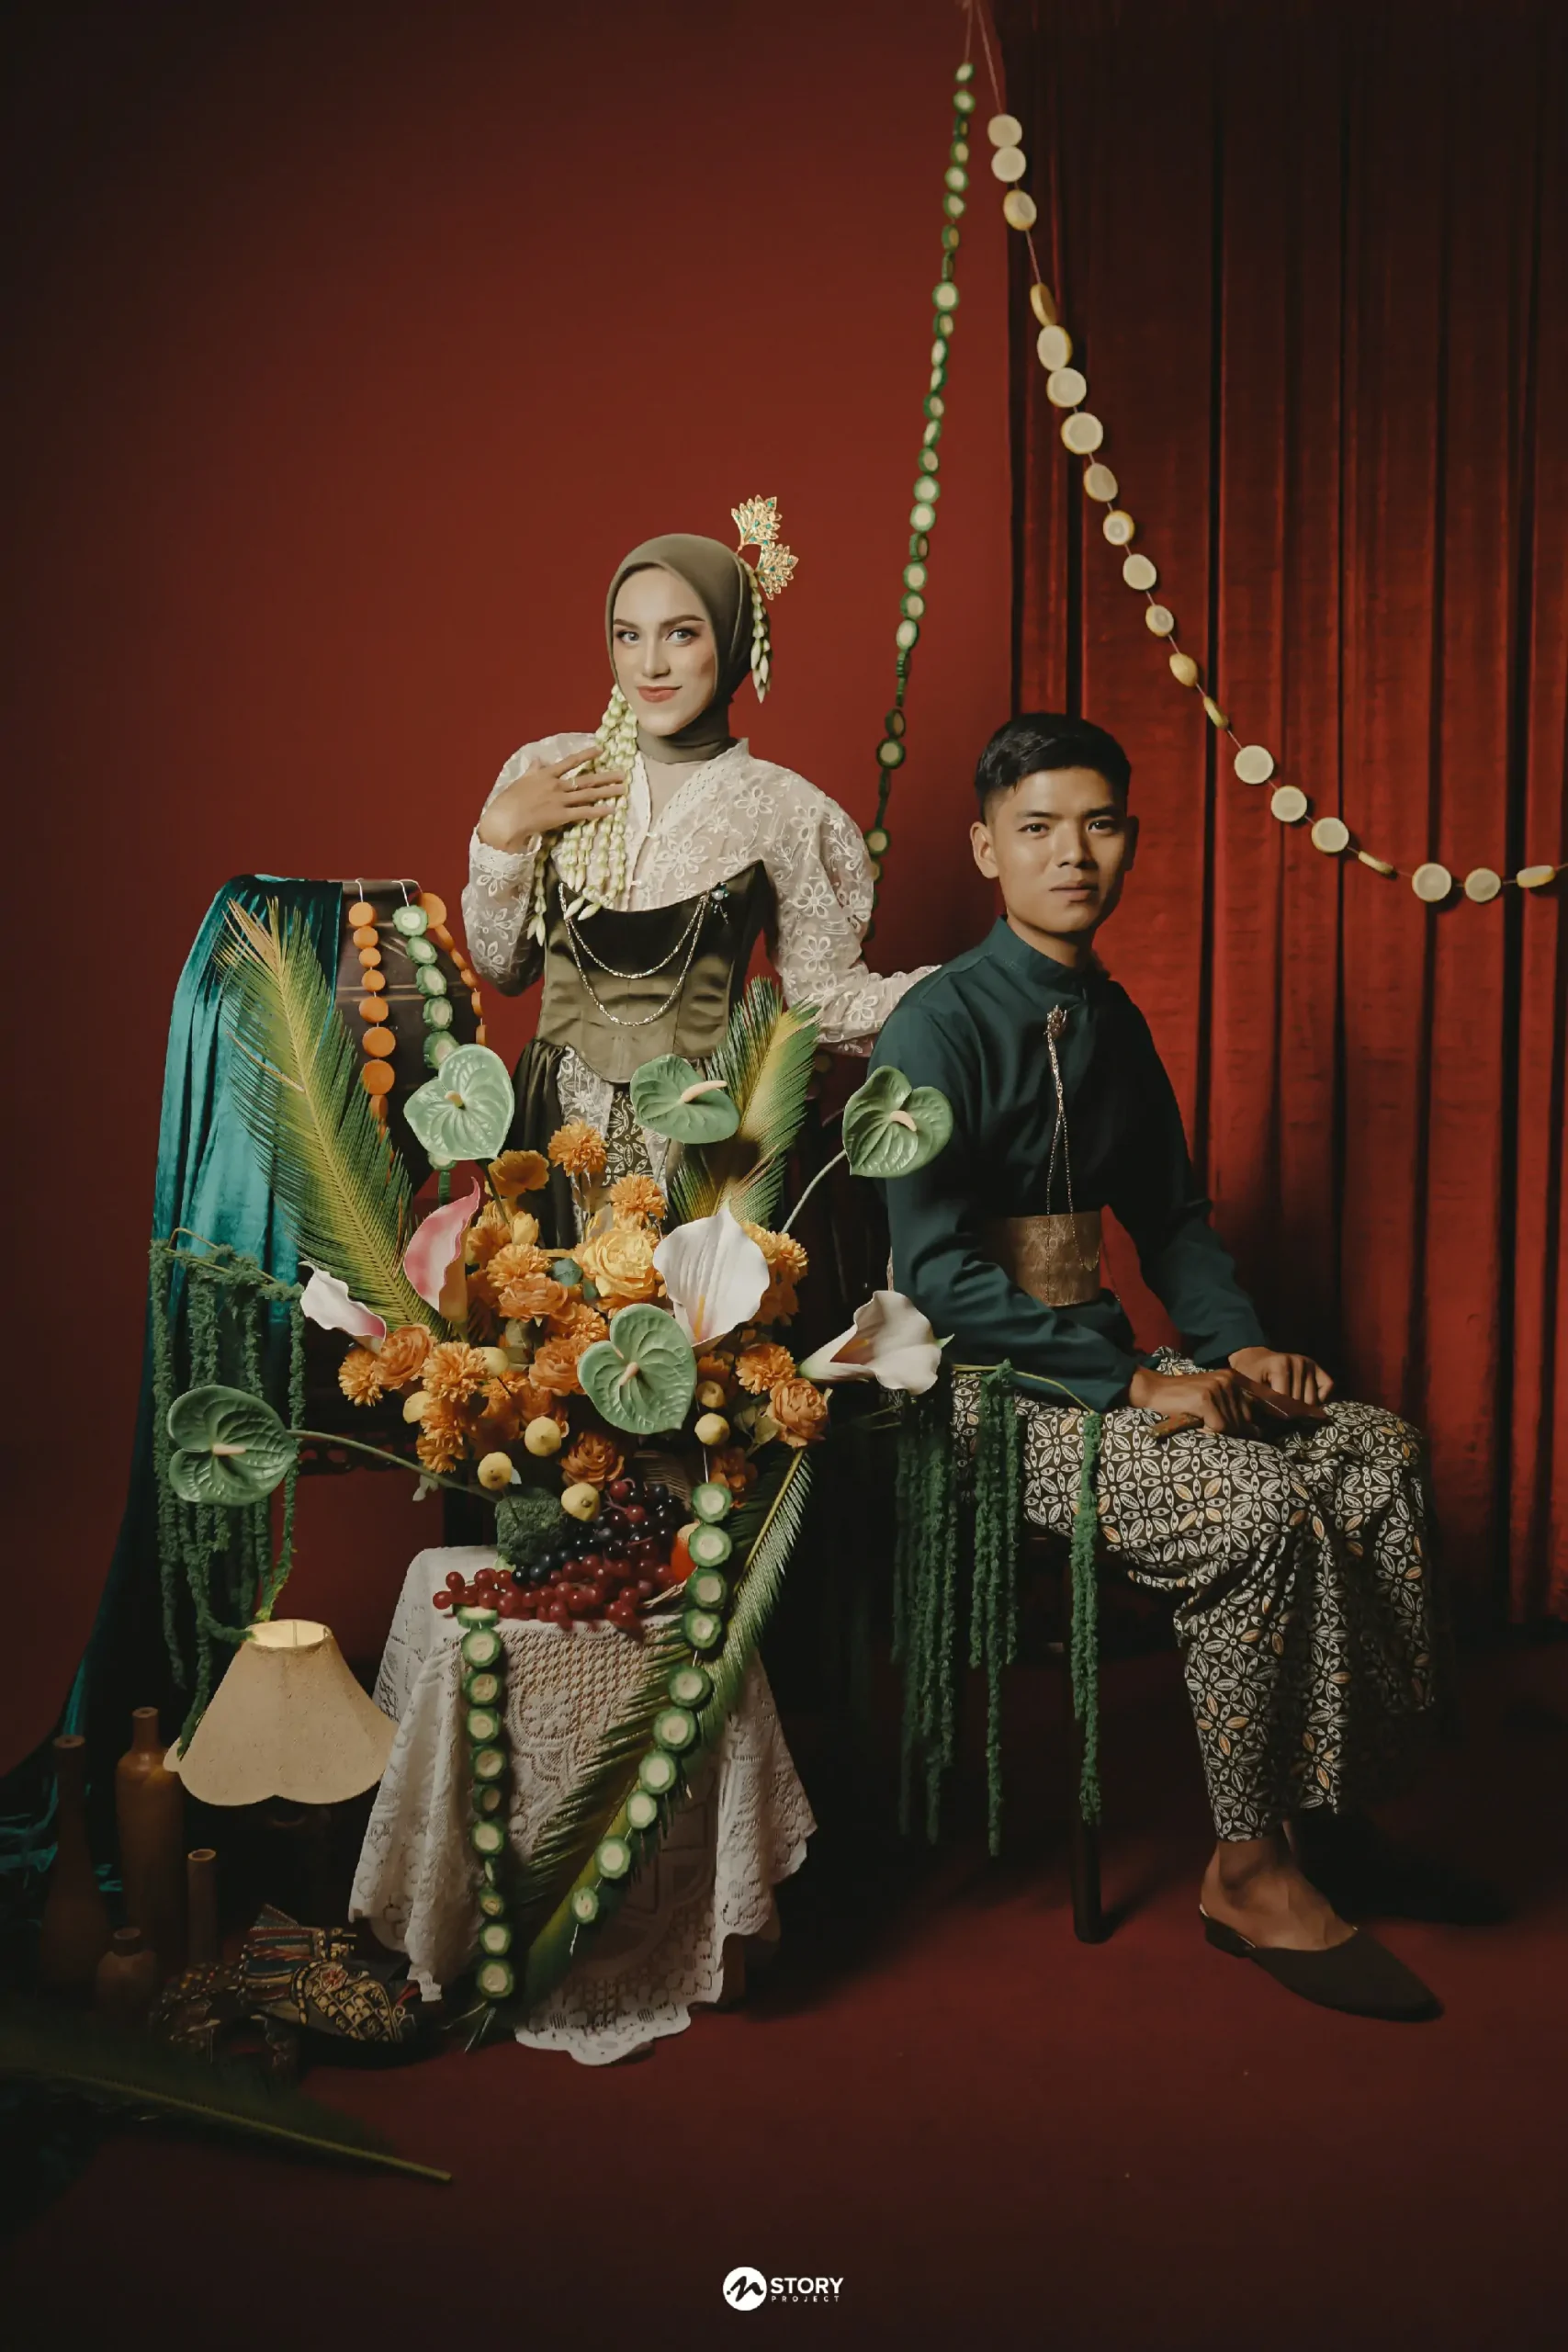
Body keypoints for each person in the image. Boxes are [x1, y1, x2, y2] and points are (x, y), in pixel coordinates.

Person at [873, 712, 1457, 2020]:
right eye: (1036, 828)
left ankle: (1332, 1817)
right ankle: (1245, 1871)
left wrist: (1237, 1345)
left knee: (1374, 1454)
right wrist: (1133, 1381)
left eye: (1096, 825)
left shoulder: (1114, 1020)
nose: (1069, 853)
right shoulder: (935, 1024)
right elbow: (936, 1274)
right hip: (978, 1391)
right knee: (1250, 1508)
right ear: (987, 849)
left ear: (1129, 841)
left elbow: (1175, 1223)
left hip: (1113, 1362)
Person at [461, 504, 928, 1239]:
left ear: (734, 639)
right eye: (628, 635)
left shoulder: (784, 808)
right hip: (550, 1129)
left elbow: (825, 1004)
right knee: (536, 1304)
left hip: (706, 1134)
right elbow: (502, 968)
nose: (650, 665)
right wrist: (502, 833)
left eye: (681, 633)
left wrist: (973, 988)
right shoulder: (549, 770)